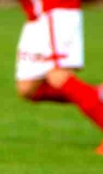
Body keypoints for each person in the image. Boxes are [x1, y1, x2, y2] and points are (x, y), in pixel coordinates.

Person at [16, 0, 103, 154]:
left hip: (55, 8)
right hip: (35, 16)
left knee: (57, 75)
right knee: (28, 88)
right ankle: (97, 95)